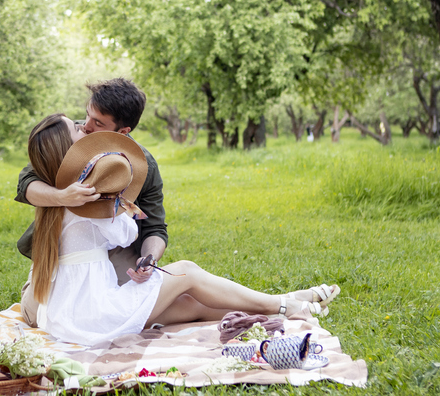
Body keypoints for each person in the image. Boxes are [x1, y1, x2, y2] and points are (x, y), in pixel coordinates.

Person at [26, 114, 340, 346]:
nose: (84, 126)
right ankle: (283, 303)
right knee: (186, 272)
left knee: (190, 305)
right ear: (67, 149)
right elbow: (127, 235)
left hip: (72, 316)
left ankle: (283, 304)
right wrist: (123, 205)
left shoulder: (54, 198)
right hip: (94, 316)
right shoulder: (86, 199)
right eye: (78, 128)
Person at [15, 78, 167, 327]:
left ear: (122, 132)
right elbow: (27, 181)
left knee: (135, 308)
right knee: (35, 315)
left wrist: (149, 259)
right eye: (87, 115)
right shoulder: (71, 141)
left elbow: (155, 227)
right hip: (66, 246)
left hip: (117, 246)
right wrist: (63, 197)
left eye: (97, 123)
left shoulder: (144, 165)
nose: (85, 126)